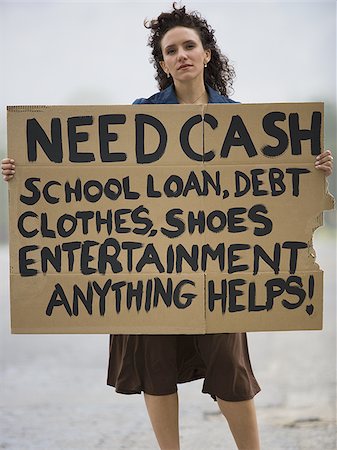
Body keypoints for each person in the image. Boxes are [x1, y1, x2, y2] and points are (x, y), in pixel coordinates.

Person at [2, 4, 334, 450]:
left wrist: (312, 169)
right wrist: (27, 170)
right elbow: (95, 180)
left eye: (189, 46)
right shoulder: (140, 116)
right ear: (163, 63)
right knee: (154, 359)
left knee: (227, 362)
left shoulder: (242, 120)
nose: (181, 55)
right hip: (152, 267)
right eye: (171, 50)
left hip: (219, 268)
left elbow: (273, 189)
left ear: (207, 53)